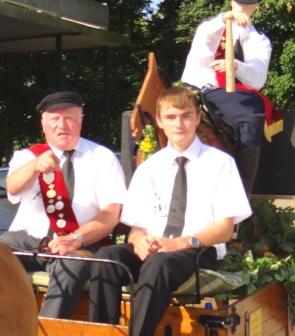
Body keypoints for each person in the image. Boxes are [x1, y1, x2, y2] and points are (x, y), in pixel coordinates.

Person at [88, 87, 252, 335]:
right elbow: (136, 227)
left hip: (197, 250)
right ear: (161, 122)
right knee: (106, 258)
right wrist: (139, 241)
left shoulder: (220, 163)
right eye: (171, 117)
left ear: (197, 118)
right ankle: (102, 332)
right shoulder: (150, 167)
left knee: (159, 265)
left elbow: (225, 230)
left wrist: (182, 243)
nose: (180, 124)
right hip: (156, 248)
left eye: (186, 116)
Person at [0, 91, 126, 318]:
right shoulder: (28, 156)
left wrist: (76, 238)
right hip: (29, 244)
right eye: (54, 119)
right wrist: (34, 167)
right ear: (43, 124)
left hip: (82, 245)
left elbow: (111, 213)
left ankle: (49, 327)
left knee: (72, 264)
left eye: (69, 118)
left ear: (80, 121)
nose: (62, 125)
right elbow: (13, 188)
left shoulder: (102, 158)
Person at [181, 0, 273, 195]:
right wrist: (224, 19)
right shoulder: (209, 27)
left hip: (232, 93)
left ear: (256, 6)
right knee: (147, 112)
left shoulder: (260, 41)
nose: (243, 6)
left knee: (251, 119)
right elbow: (203, 43)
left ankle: (241, 193)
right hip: (195, 88)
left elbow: (258, 78)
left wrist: (236, 66)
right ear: (231, 2)